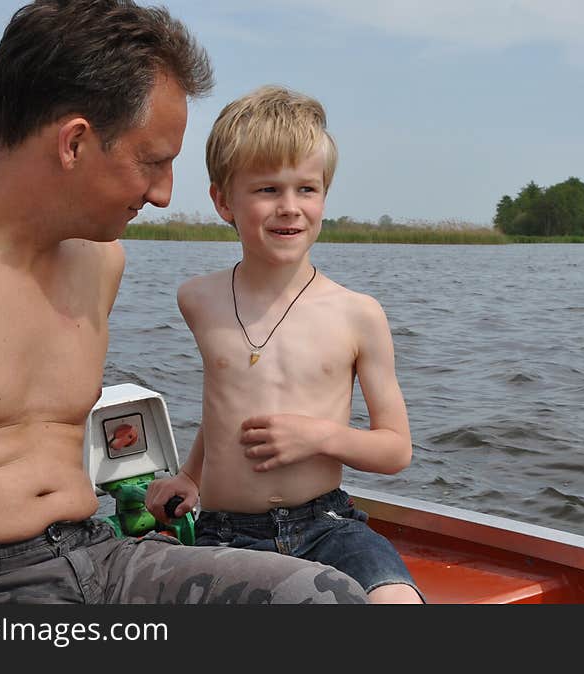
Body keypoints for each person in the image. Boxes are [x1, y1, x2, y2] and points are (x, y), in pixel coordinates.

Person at [0, 1, 368, 605]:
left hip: (94, 555)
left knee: (327, 599)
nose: (165, 195)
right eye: (152, 163)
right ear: (74, 142)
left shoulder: (101, 261)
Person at [145, 85, 424, 603]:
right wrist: (189, 475)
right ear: (223, 200)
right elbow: (225, 401)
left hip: (329, 526)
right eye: (268, 190)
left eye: (307, 189)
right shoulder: (197, 300)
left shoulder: (357, 314)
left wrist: (317, 437)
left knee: (397, 602)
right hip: (228, 534)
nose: (290, 208)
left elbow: (396, 449)